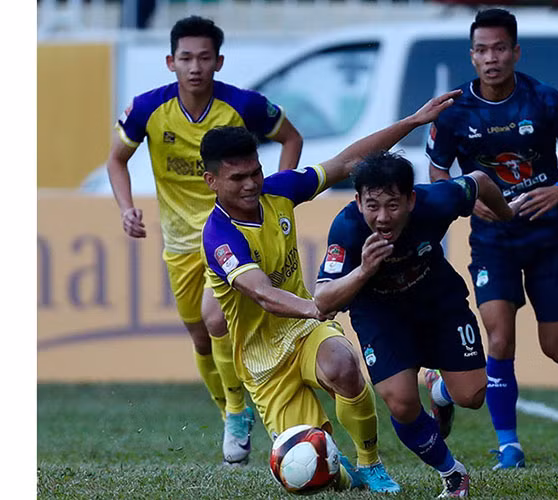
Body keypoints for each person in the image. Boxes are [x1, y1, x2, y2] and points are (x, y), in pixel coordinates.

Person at [199, 89, 461, 492]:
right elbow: (262, 293)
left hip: (304, 330)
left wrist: (412, 121)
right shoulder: (219, 236)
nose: (251, 184)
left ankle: (371, 463)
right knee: (316, 470)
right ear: (211, 181)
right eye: (238, 178)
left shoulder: (278, 190)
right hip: (263, 360)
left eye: (255, 172)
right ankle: (347, 474)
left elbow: (347, 163)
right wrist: (315, 306)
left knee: (343, 365)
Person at [105, 16, 304, 465]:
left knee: (217, 321)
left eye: (204, 58)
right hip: (179, 242)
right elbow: (116, 160)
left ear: (219, 61)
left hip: (229, 231)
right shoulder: (147, 109)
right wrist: (125, 208)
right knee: (200, 336)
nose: (195, 67)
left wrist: (275, 194)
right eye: (186, 58)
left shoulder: (243, 105)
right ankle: (231, 411)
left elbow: (291, 138)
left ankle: (238, 410)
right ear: (170, 62)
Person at [426, 8, 558, 470]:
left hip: (547, 236)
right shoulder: (454, 112)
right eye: (482, 50)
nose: (492, 58)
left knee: (556, 346)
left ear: (516, 52)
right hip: (493, 239)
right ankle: (509, 445)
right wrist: (466, 200)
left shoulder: (543, 99)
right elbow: (438, 171)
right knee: (499, 338)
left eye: (500, 48)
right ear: (472, 56)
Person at [314, 151, 520, 497]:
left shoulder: (436, 201)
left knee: (472, 396)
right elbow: (322, 299)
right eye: (372, 206)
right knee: (402, 403)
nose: (382, 217)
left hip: (439, 302)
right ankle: (452, 473)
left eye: (393, 205)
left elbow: (481, 181)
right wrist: (364, 270)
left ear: (411, 199)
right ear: (358, 202)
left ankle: (440, 391)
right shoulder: (347, 227)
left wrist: (507, 215)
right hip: (380, 315)